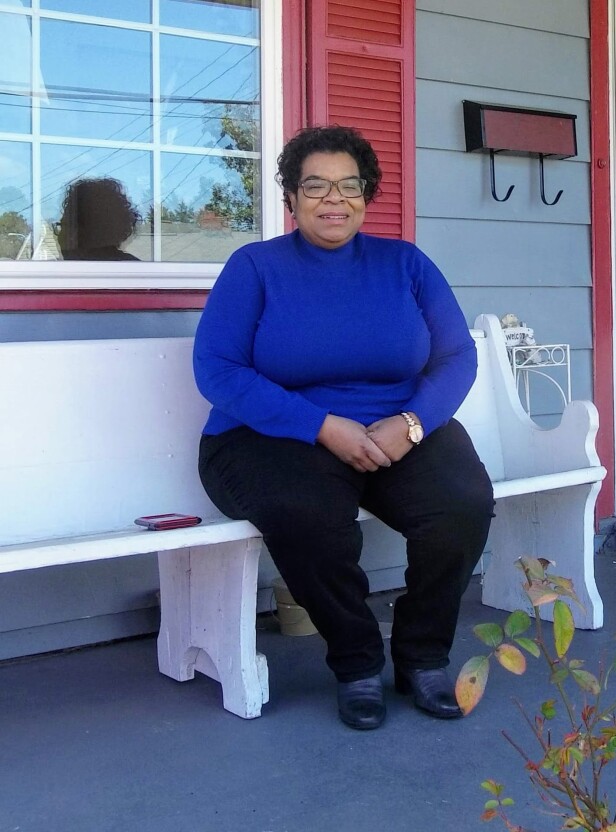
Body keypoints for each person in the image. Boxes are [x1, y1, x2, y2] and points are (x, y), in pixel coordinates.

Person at [193, 125, 495, 730]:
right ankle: (357, 663)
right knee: (308, 518)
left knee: (461, 504)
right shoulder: (255, 267)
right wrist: (320, 425)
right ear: (292, 196)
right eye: (315, 185)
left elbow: (457, 355)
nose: (333, 199)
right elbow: (218, 370)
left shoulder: (404, 263)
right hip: (270, 434)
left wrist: (411, 423)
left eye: (348, 185)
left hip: (395, 426)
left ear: (366, 193)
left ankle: (423, 656)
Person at [57, 177, 141, 261]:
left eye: (65, 226)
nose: (60, 237)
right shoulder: (136, 268)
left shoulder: (134, 270)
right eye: (61, 226)